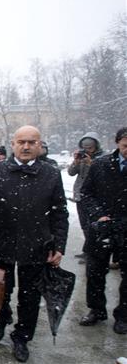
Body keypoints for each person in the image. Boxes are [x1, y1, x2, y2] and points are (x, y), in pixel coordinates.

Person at [0, 125, 68, 363]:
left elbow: (59, 212)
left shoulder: (51, 174)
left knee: (30, 297)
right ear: (13, 144)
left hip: (37, 246)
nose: (26, 146)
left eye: (32, 142)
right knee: (0, 292)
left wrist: (59, 246)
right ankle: (2, 317)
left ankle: (22, 337)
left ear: (40, 145)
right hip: (1, 245)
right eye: (21, 141)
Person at [78, 127, 127, 335]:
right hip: (102, 227)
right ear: (117, 143)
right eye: (126, 145)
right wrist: (98, 214)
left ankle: (124, 315)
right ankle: (96, 309)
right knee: (95, 271)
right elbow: (86, 193)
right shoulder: (101, 164)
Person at [68, 132, 104, 261]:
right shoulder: (82, 157)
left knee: (93, 226)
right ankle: (87, 250)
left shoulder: (102, 158)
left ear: (96, 146)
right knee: (84, 225)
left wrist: (91, 163)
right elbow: (71, 173)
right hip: (80, 195)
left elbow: (102, 176)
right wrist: (76, 162)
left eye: (90, 147)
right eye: (85, 147)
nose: (87, 150)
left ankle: (93, 252)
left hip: (95, 197)